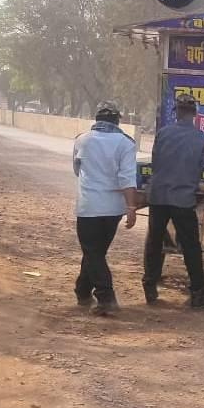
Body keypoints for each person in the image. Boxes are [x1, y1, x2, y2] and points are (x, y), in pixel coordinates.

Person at [142, 93, 204, 308]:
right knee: (191, 246)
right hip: (182, 199)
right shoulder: (201, 138)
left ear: (177, 112)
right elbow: (200, 168)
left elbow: (156, 162)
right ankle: (198, 294)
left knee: (155, 242)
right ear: (194, 114)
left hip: (159, 196)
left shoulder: (163, 133)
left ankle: (150, 286)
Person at [72, 101, 138, 316]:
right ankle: (82, 291)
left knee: (93, 252)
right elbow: (127, 178)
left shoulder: (82, 140)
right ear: (117, 120)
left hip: (88, 206)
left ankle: (106, 297)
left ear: (97, 119)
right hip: (113, 209)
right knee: (95, 252)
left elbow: (76, 169)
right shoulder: (126, 143)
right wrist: (131, 207)